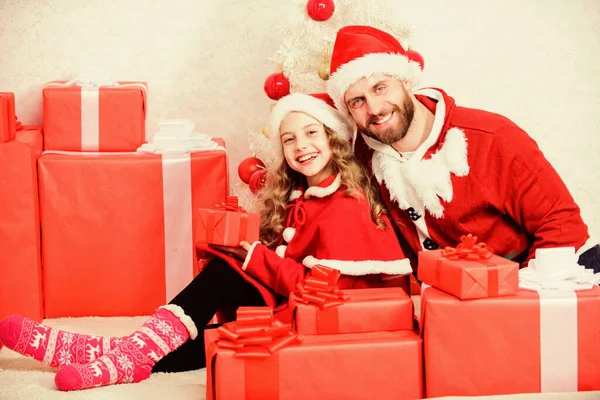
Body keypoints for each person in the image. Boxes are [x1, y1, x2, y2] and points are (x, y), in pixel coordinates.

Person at [0, 92, 412, 391]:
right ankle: (117, 353)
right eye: (289, 139)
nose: (301, 146)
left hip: (330, 323)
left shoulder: (344, 204)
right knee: (216, 332)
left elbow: (323, 292)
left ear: (333, 140)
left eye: (311, 133)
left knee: (224, 277)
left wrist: (252, 257)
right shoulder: (305, 194)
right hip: (301, 307)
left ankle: (121, 353)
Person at [324, 25, 599, 274]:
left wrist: (519, 301)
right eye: (357, 101)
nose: (374, 108)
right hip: (443, 299)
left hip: (518, 280)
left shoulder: (493, 137)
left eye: (380, 88)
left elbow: (562, 224)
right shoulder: (362, 155)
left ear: (405, 81)